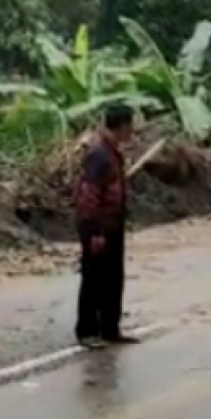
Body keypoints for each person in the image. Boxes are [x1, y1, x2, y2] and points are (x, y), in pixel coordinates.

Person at [73, 104, 137, 350]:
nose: (133, 131)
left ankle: (110, 328)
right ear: (121, 126)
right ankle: (87, 330)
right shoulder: (99, 154)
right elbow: (89, 195)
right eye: (130, 125)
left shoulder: (111, 152)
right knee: (94, 278)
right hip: (98, 225)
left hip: (113, 223)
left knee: (113, 278)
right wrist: (96, 231)